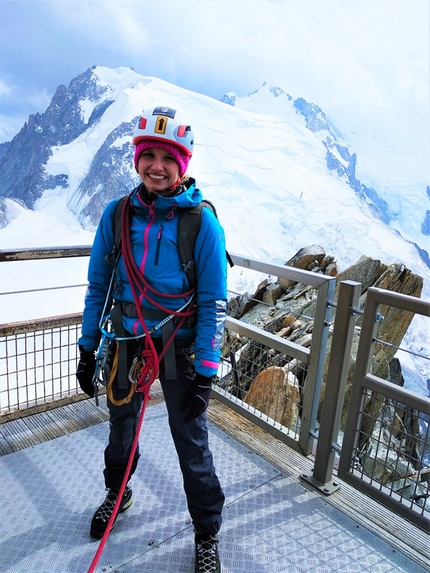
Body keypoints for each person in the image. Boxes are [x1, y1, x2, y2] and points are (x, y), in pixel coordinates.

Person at [76, 106, 227, 573]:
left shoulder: (201, 223)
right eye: (148, 155)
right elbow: (98, 285)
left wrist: (205, 372)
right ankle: (117, 494)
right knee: (121, 429)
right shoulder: (117, 214)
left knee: (190, 440)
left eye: (167, 157)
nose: (156, 166)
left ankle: (206, 533)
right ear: (137, 159)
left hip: (179, 347)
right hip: (126, 340)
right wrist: (86, 346)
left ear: (183, 164)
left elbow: (213, 303)